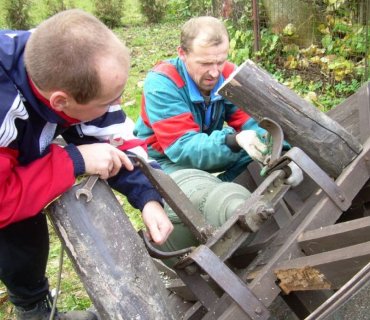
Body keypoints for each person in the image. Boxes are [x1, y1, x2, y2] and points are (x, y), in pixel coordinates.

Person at [0, 9, 173, 320]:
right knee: (17, 222)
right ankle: (34, 310)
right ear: (60, 102)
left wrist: (148, 197)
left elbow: (114, 134)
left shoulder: (58, 61)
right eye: (108, 101)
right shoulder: (4, 107)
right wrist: (75, 159)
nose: (115, 105)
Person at [134, 16, 270, 182]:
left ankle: (227, 188)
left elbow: (256, 123)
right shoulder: (161, 83)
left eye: (220, 61)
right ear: (182, 53)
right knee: (201, 194)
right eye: (205, 63)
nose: (214, 72)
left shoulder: (227, 74)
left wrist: (279, 151)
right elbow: (182, 148)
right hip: (163, 159)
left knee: (260, 160)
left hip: (205, 150)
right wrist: (233, 140)